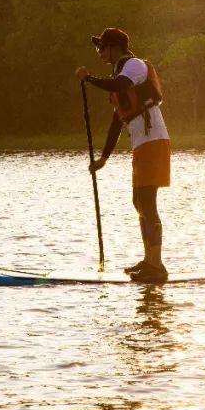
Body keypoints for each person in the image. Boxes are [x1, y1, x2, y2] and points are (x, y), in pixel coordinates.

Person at [76, 28, 171, 283]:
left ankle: (157, 266)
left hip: (153, 141)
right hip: (142, 145)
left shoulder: (134, 66)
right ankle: (148, 260)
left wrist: (90, 79)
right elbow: (116, 123)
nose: (99, 53)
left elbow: (120, 85)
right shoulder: (120, 73)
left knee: (147, 202)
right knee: (138, 202)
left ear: (113, 47)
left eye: (101, 47)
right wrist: (103, 159)